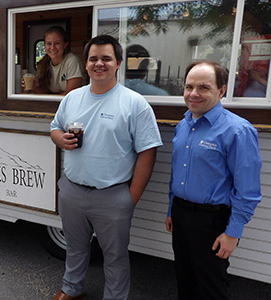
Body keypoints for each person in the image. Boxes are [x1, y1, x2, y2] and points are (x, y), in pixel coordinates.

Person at [50, 35, 163, 300]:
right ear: (86, 64)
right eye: (93, 58)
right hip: (72, 190)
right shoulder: (72, 98)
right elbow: (54, 127)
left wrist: (130, 198)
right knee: (75, 247)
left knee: (115, 256)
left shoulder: (134, 103)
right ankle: (71, 289)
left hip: (113, 195)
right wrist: (60, 139)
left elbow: (148, 152)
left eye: (106, 58)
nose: (99, 63)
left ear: (118, 64)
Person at [165, 60, 262, 300]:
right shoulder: (184, 125)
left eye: (203, 87)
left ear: (221, 91)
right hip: (181, 214)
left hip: (213, 222)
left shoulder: (238, 131)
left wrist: (233, 232)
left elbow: (247, 189)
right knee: (184, 281)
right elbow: (177, 172)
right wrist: (171, 209)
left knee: (211, 288)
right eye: (188, 87)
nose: (193, 94)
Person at [23, 26, 86, 95]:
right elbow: (45, 93)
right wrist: (34, 87)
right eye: (49, 44)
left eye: (57, 43)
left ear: (65, 45)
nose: (52, 47)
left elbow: (71, 95)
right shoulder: (42, 64)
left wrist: (50, 95)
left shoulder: (72, 61)